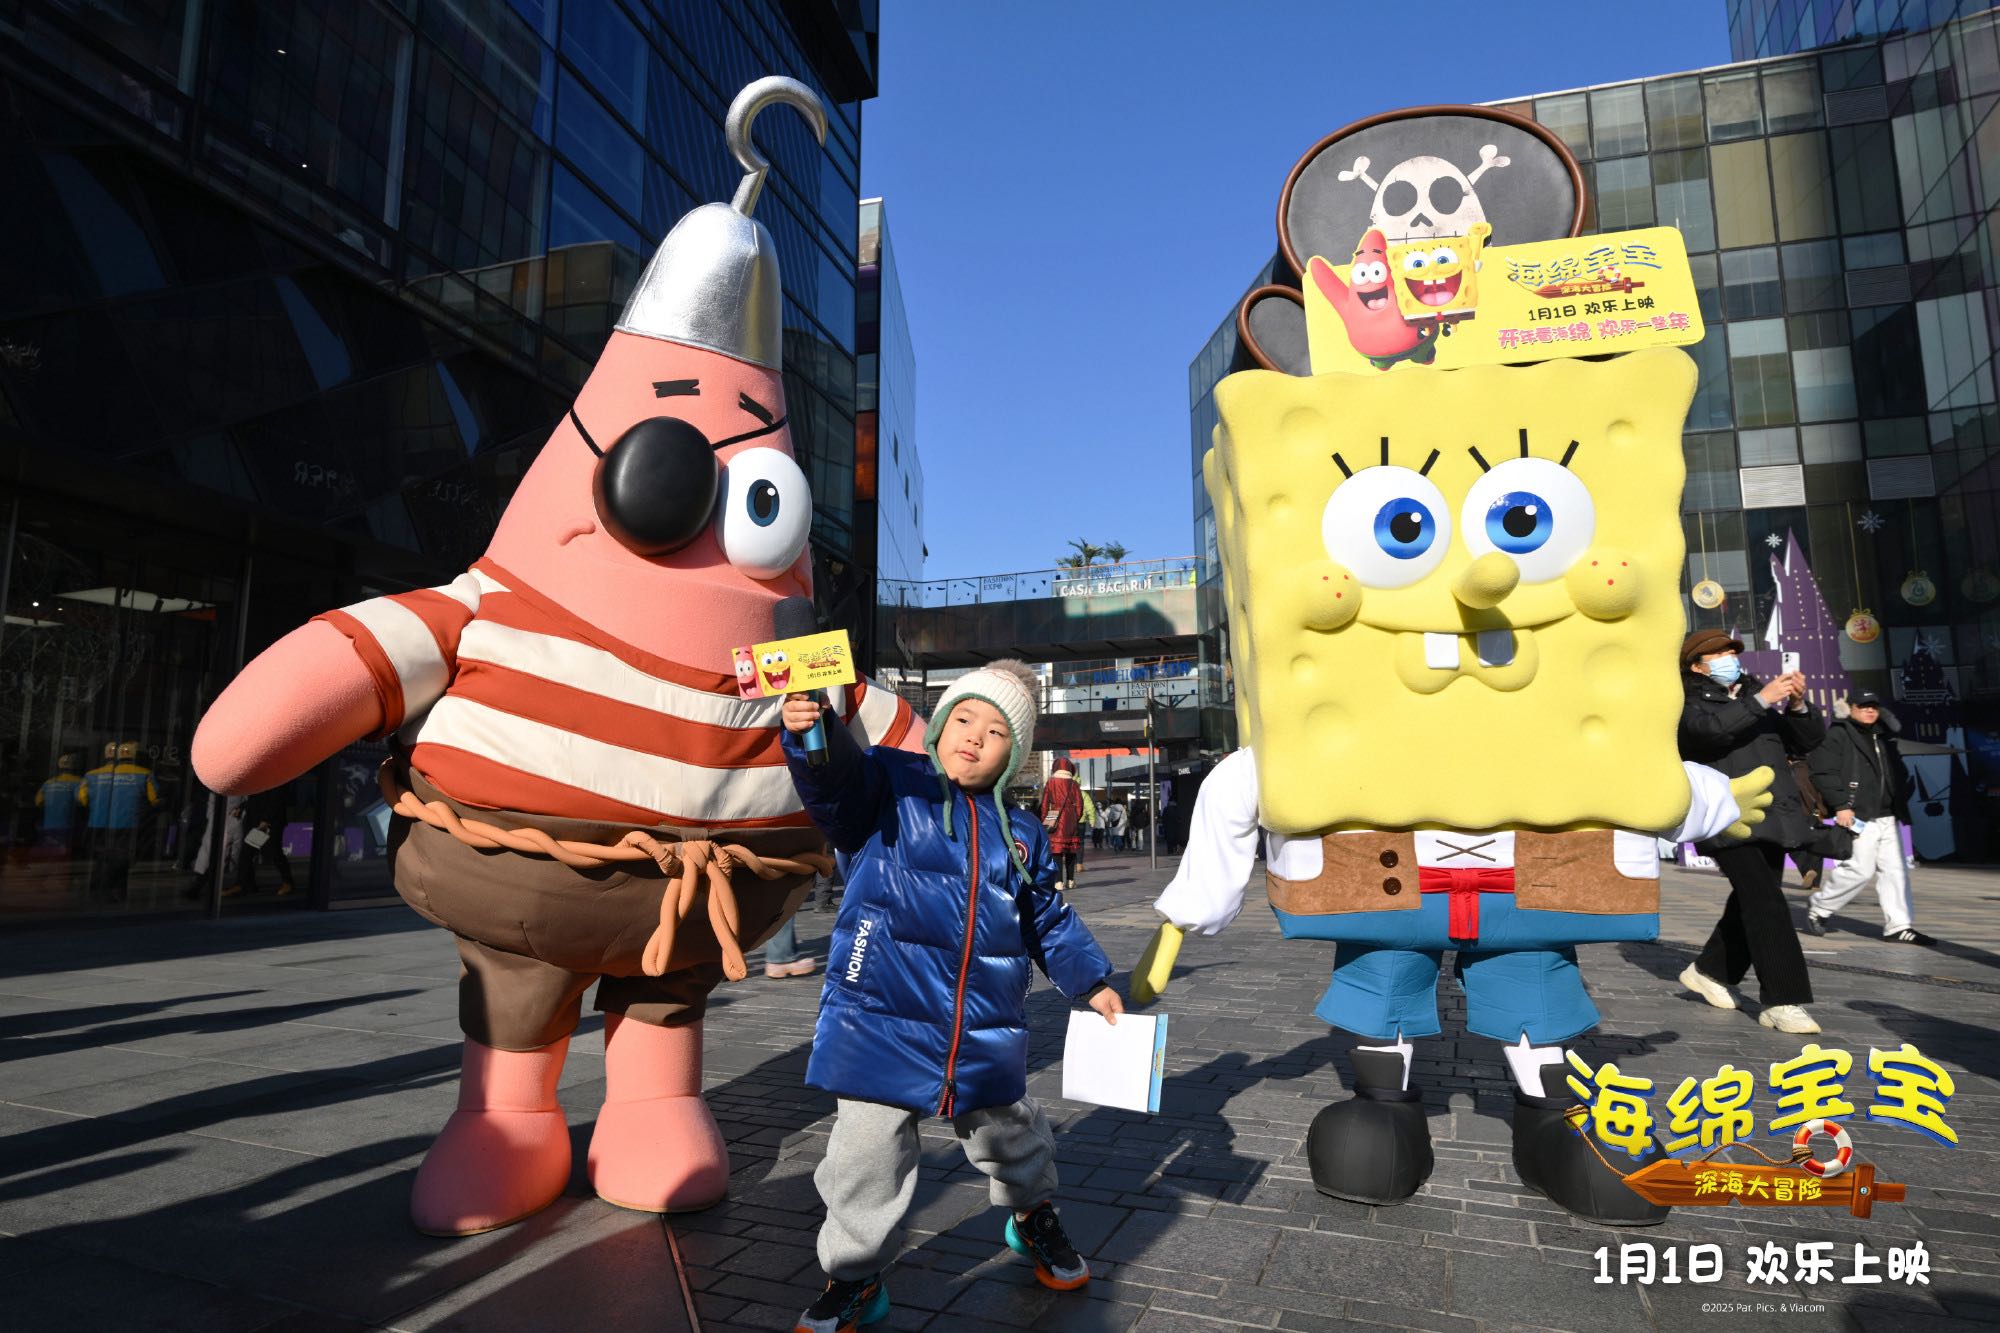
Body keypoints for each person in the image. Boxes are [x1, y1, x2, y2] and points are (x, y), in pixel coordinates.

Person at [779, 660, 1121, 1332]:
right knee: (863, 1155)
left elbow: (1045, 919)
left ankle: (1033, 1215)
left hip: (982, 1027)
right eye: (963, 717)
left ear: (1014, 755)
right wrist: (813, 730)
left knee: (1011, 1137)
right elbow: (834, 783)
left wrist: (1095, 980)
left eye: (995, 731)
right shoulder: (889, 783)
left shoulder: (1021, 834)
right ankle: (852, 1276)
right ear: (938, 726)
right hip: (878, 1013)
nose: (973, 736)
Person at [1677, 630, 1827, 1034]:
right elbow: (1707, 732)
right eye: (1720, 653)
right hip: (1725, 813)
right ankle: (1783, 999)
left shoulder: (1754, 693)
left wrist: (1797, 705)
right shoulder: (1686, 700)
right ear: (1697, 665)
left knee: (1754, 901)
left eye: (1732, 651)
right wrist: (1760, 700)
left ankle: (1709, 970)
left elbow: (1807, 739)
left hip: (1772, 813)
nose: (1729, 657)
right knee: (1767, 904)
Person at [1805, 690, 1933, 945]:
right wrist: (1841, 805)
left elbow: (1896, 772)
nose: (1869, 710)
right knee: (1860, 870)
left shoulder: (1884, 736)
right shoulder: (1838, 734)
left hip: (1887, 814)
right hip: (1858, 814)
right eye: (1863, 706)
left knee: (1896, 872)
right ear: (1850, 708)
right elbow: (1822, 771)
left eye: (1874, 706)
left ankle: (1899, 926)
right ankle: (1819, 908)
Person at [1038, 757, 1085, 890]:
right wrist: (1075, 818)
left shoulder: (1051, 783)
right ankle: (1071, 880)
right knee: (1071, 851)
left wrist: (1046, 819)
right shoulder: (1074, 784)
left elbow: (1045, 804)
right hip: (1070, 821)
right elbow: (1080, 806)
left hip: (1055, 819)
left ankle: (1058, 882)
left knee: (1057, 852)